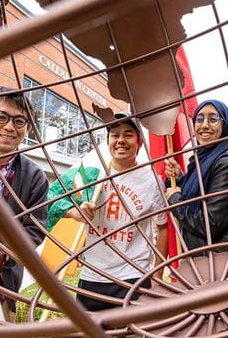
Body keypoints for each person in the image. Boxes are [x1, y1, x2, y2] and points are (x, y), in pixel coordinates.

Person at [48, 112, 168, 311]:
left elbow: (163, 228)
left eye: (128, 134)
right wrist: (74, 212)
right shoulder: (90, 175)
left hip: (134, 277)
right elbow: (52, 201)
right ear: (108, 141)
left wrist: (157, 274)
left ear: (139, 143)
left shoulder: (152, 181)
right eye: (115, 134)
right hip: (92, 276)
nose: (121, 140)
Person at [0, 86, 49, 321]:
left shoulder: (35, 177)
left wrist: (2, 256)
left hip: (3, 286)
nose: (9, 127)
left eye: (19, 121)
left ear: (27, 128)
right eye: (1, 116)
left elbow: (35, 231)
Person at [164, 99, 228, 252]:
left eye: (213, 119)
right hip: (198, 260)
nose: (204, 125)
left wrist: (175, 200)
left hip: (217, 264)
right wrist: (179, 179)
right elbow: (193, 199)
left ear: (225, 126)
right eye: (199, 119)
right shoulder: (199, 163)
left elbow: (209, 224)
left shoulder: (226, 165)